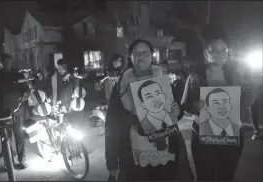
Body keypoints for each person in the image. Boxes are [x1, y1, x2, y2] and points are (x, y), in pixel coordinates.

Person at [105, 39, 192, 181]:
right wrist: (112, 161)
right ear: (131, 57)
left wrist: (178, 110)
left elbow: (176, 109)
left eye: (145, 53)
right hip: (134, 153)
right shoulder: (121, 86)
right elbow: (111, 123)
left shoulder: (163, 81)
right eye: (136, 53)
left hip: (165, 149)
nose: (141, 57)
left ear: (152, 56)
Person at [181, 24, 257, 181]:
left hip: (231, 134)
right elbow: (185, 104)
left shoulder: (237, 74)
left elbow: (244, 105)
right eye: (213, 50)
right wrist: (195, 107)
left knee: (226, 176)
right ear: (205, 53)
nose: (219, 53)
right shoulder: (195, 76)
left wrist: (253, 88)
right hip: (203, 136)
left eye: (223, 50)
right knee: (205, 176)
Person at [0, 53, 29, 169]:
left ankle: (19, 160)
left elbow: (27, 90)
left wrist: (24, 97)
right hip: (4, 113)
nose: (7, 64)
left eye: (9, 61)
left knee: (17, 135)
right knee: (7, 137)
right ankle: (10, 162)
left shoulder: (17, 75)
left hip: (15, 111)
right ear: (3, 63)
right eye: (6, 61)